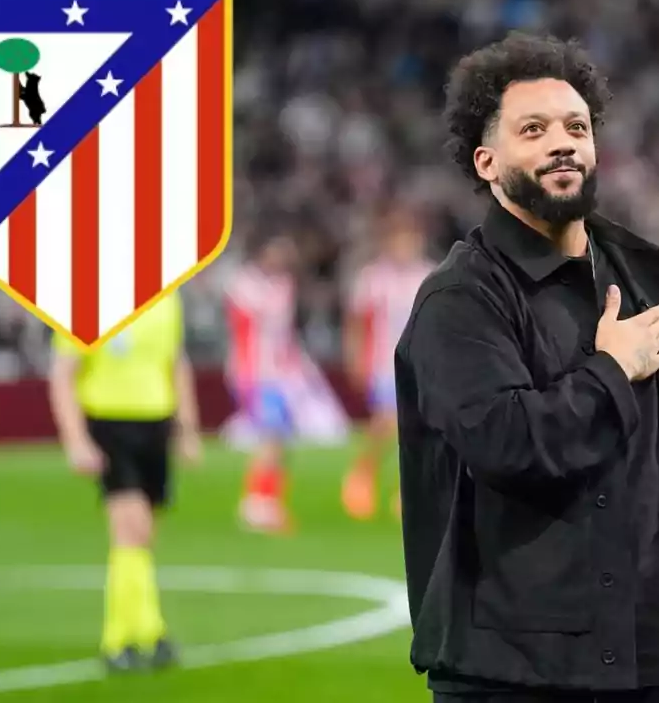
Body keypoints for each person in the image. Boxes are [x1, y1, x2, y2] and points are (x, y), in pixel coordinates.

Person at [394, 32, 659, 703]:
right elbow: (506, 442)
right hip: (517, 669)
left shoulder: (643, 272)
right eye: (532, 130)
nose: (562, 142)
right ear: (487, 162)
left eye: (577, 126)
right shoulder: (461, 298)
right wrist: (609, 370)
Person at [48, 290, 202, 672]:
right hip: (110, 423)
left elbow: (176, 363)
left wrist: (187, 427)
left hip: (156, 423)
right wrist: (76, 440)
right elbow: (63, 374)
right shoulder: (86, 300)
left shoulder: (167, 299)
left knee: (145, 535)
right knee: (129, 529)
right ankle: (118, 638)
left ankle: (150, 629)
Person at [228, 226, 350, 533]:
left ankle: (265, 500)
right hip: (256, 373)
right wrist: (246, 376)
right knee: (270, 437)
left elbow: (285, 334)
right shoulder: (244, 286)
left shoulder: (284, 285)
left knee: (280, 439)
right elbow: (243, 335)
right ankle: (258, 503)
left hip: (280, 374)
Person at [341, 206, 436, 521]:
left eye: (409, 240)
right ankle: (363, 473)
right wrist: (355, 358)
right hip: (384, 361)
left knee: (419, 429)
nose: (405, 246)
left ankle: (407, 491)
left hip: (422, 363)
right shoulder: (372, 278)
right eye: (399, 240)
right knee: (386, 423)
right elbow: (356, 322)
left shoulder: (430, 274)